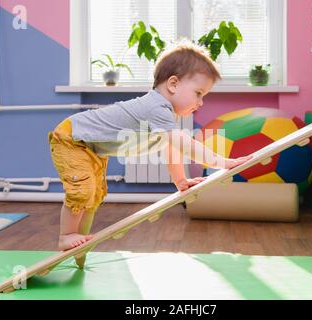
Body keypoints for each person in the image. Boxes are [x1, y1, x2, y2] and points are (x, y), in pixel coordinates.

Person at [48, 40, 251, 266]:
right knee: (83, 191)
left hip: (91, 149)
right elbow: (183, 144)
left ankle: (80, 247)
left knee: (93, 197)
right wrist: (222, 161)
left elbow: (171, 148)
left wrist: (180, 180)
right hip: (72, 138)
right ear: (173, 84)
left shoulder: (164, 114)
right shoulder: (157, 107)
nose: (201, 103)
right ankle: (66, 236)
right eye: (198, 93)